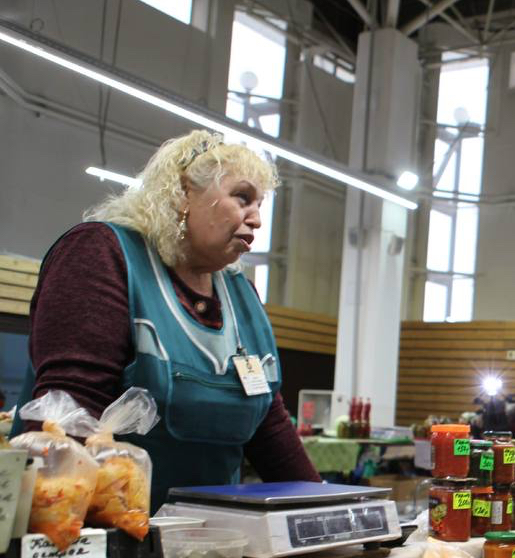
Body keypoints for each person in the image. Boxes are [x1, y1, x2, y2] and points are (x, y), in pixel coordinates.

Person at [16, 129, 320, 509]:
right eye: (242, 197)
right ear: (181, 194)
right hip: (109, 532)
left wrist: (330, 513)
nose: (256, 219)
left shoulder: (241, 293)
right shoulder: (101, 255)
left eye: (260, 204)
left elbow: (268, 424)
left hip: (215, 538)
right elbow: (68, 414)